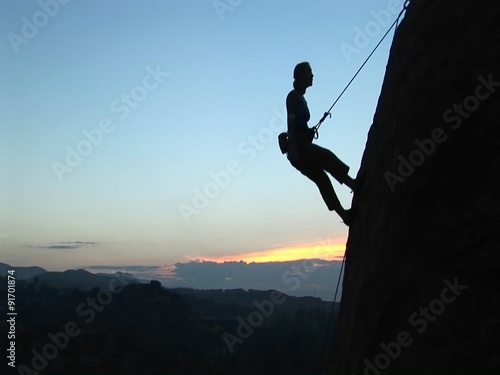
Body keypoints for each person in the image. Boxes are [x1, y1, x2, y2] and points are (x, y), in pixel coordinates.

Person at [286, 62, 357, 225]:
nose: (312, 75)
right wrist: (293, 148)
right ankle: (354, 184)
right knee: (326, 157)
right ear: (300, 76)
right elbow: (290, 124)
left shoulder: (301, 98)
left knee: (322, 179)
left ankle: (344, 216)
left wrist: (308, 132)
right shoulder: (293, 97)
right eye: (309, 72)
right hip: (298, 149)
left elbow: (298, 126)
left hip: (300, 146)